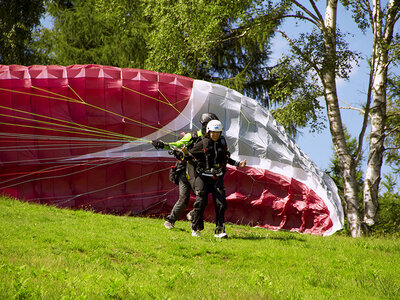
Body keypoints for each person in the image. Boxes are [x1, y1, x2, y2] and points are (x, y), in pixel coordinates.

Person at [151, 113, 219, 229]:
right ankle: (170, 220)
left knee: (202, 198)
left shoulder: (214, 140)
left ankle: (193, 215)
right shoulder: (192, 136)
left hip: (200, 173)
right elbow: (177, 145)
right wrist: (163, 145)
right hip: (184, 171)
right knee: (184, 198)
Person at [185, 119, 246, 238]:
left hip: (217, 177)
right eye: (213, 132)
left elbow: (226, 158)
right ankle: (195, 228)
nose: (215, 135)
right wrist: (185, 153)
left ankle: (219, 230)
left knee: (221, 204)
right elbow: (190, 156)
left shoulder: (221, 143)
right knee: (201, 202)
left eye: (218, 133)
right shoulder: (202, 143)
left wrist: (238, 164)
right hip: (202, 177)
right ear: (208, 131)